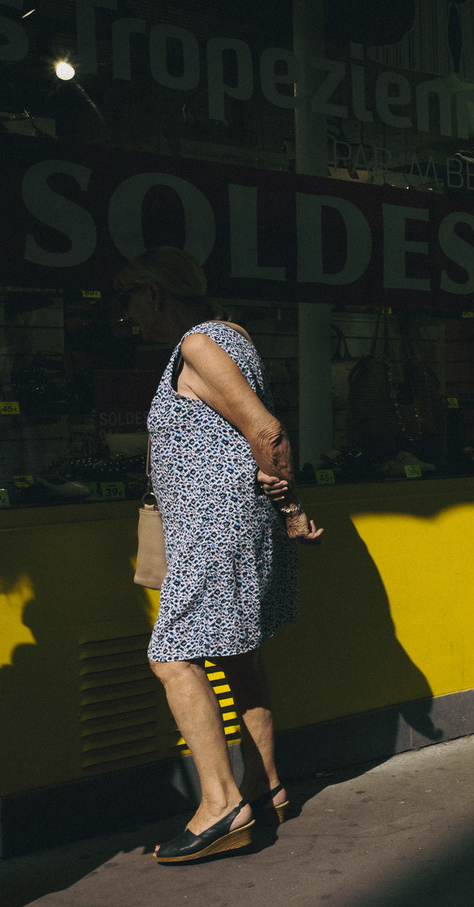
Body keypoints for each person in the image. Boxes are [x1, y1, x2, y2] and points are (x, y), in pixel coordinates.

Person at [114, 247, 323, 863]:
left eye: (130, 300)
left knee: (172, 658)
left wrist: (291, 511)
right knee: (237, 656)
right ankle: (266, 787)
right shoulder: (230, 336)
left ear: (154, 293)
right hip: (228, 524)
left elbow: (268, 432)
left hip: (216, 528)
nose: (126, 316)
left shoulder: (200, 345)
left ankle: (219, 804)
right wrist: (286, 512)